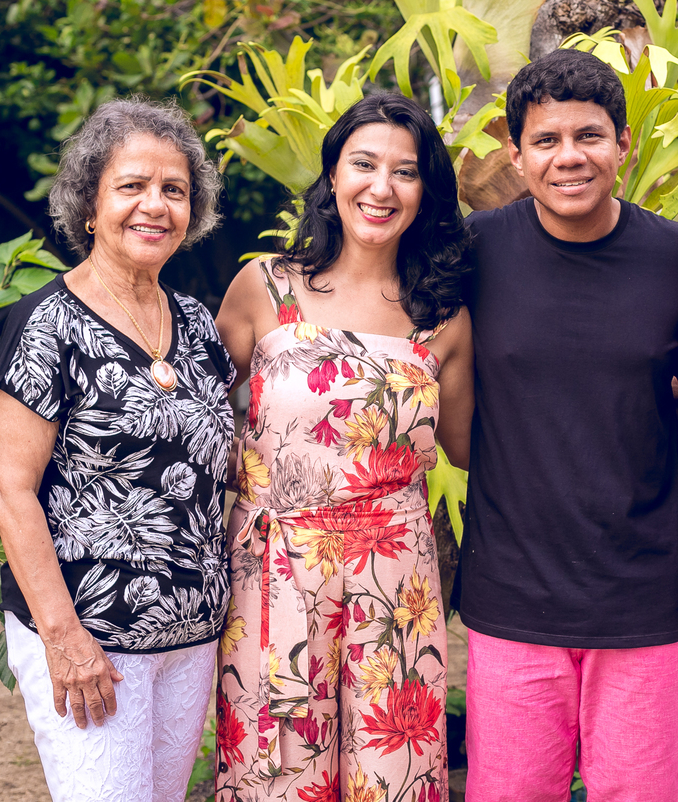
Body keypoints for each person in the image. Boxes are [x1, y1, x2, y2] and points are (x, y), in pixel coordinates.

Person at [454, 48, 678, 801]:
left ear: (622, 144)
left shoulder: (676, 256)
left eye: (589, 136)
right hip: (512, 591)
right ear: (516, 152)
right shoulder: (478, 249)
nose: (569, 157)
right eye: (546, 140)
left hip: (642, 590)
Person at [213, 92, 473, 802]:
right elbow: (190, 415)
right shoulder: (266, 287)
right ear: (333, 175)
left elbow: (476, 448)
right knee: (278, 770)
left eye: (406, 171)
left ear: (426, 192)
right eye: (364, 164)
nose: (381, 187)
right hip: (275, 572)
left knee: (392, 772)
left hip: (395, 584)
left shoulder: (441, 317)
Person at [0, 98, 234, 801]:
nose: (154, 205)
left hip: (190, 636)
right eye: (132, 186)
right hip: (92, 641)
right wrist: (65, 639)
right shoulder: (47, 324)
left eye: (174, 190)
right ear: (90, 206)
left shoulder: (195, 323)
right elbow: (9, 487)